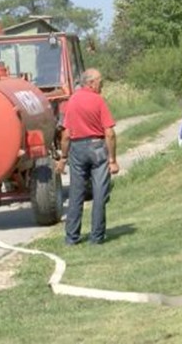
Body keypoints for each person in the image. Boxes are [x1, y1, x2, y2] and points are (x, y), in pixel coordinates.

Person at [56, 68, 119, 245]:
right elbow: (110, 133)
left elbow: (66, 134)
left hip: (77, 148)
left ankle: (71, 237)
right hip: (97, 147)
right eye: (100, 81)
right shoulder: (98, 100)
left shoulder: (72, 100)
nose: (102, 84)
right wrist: (112, 160)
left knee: (76, 193)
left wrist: (63, 157)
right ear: (90, 83)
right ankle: (97, 236)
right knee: (100, 193)